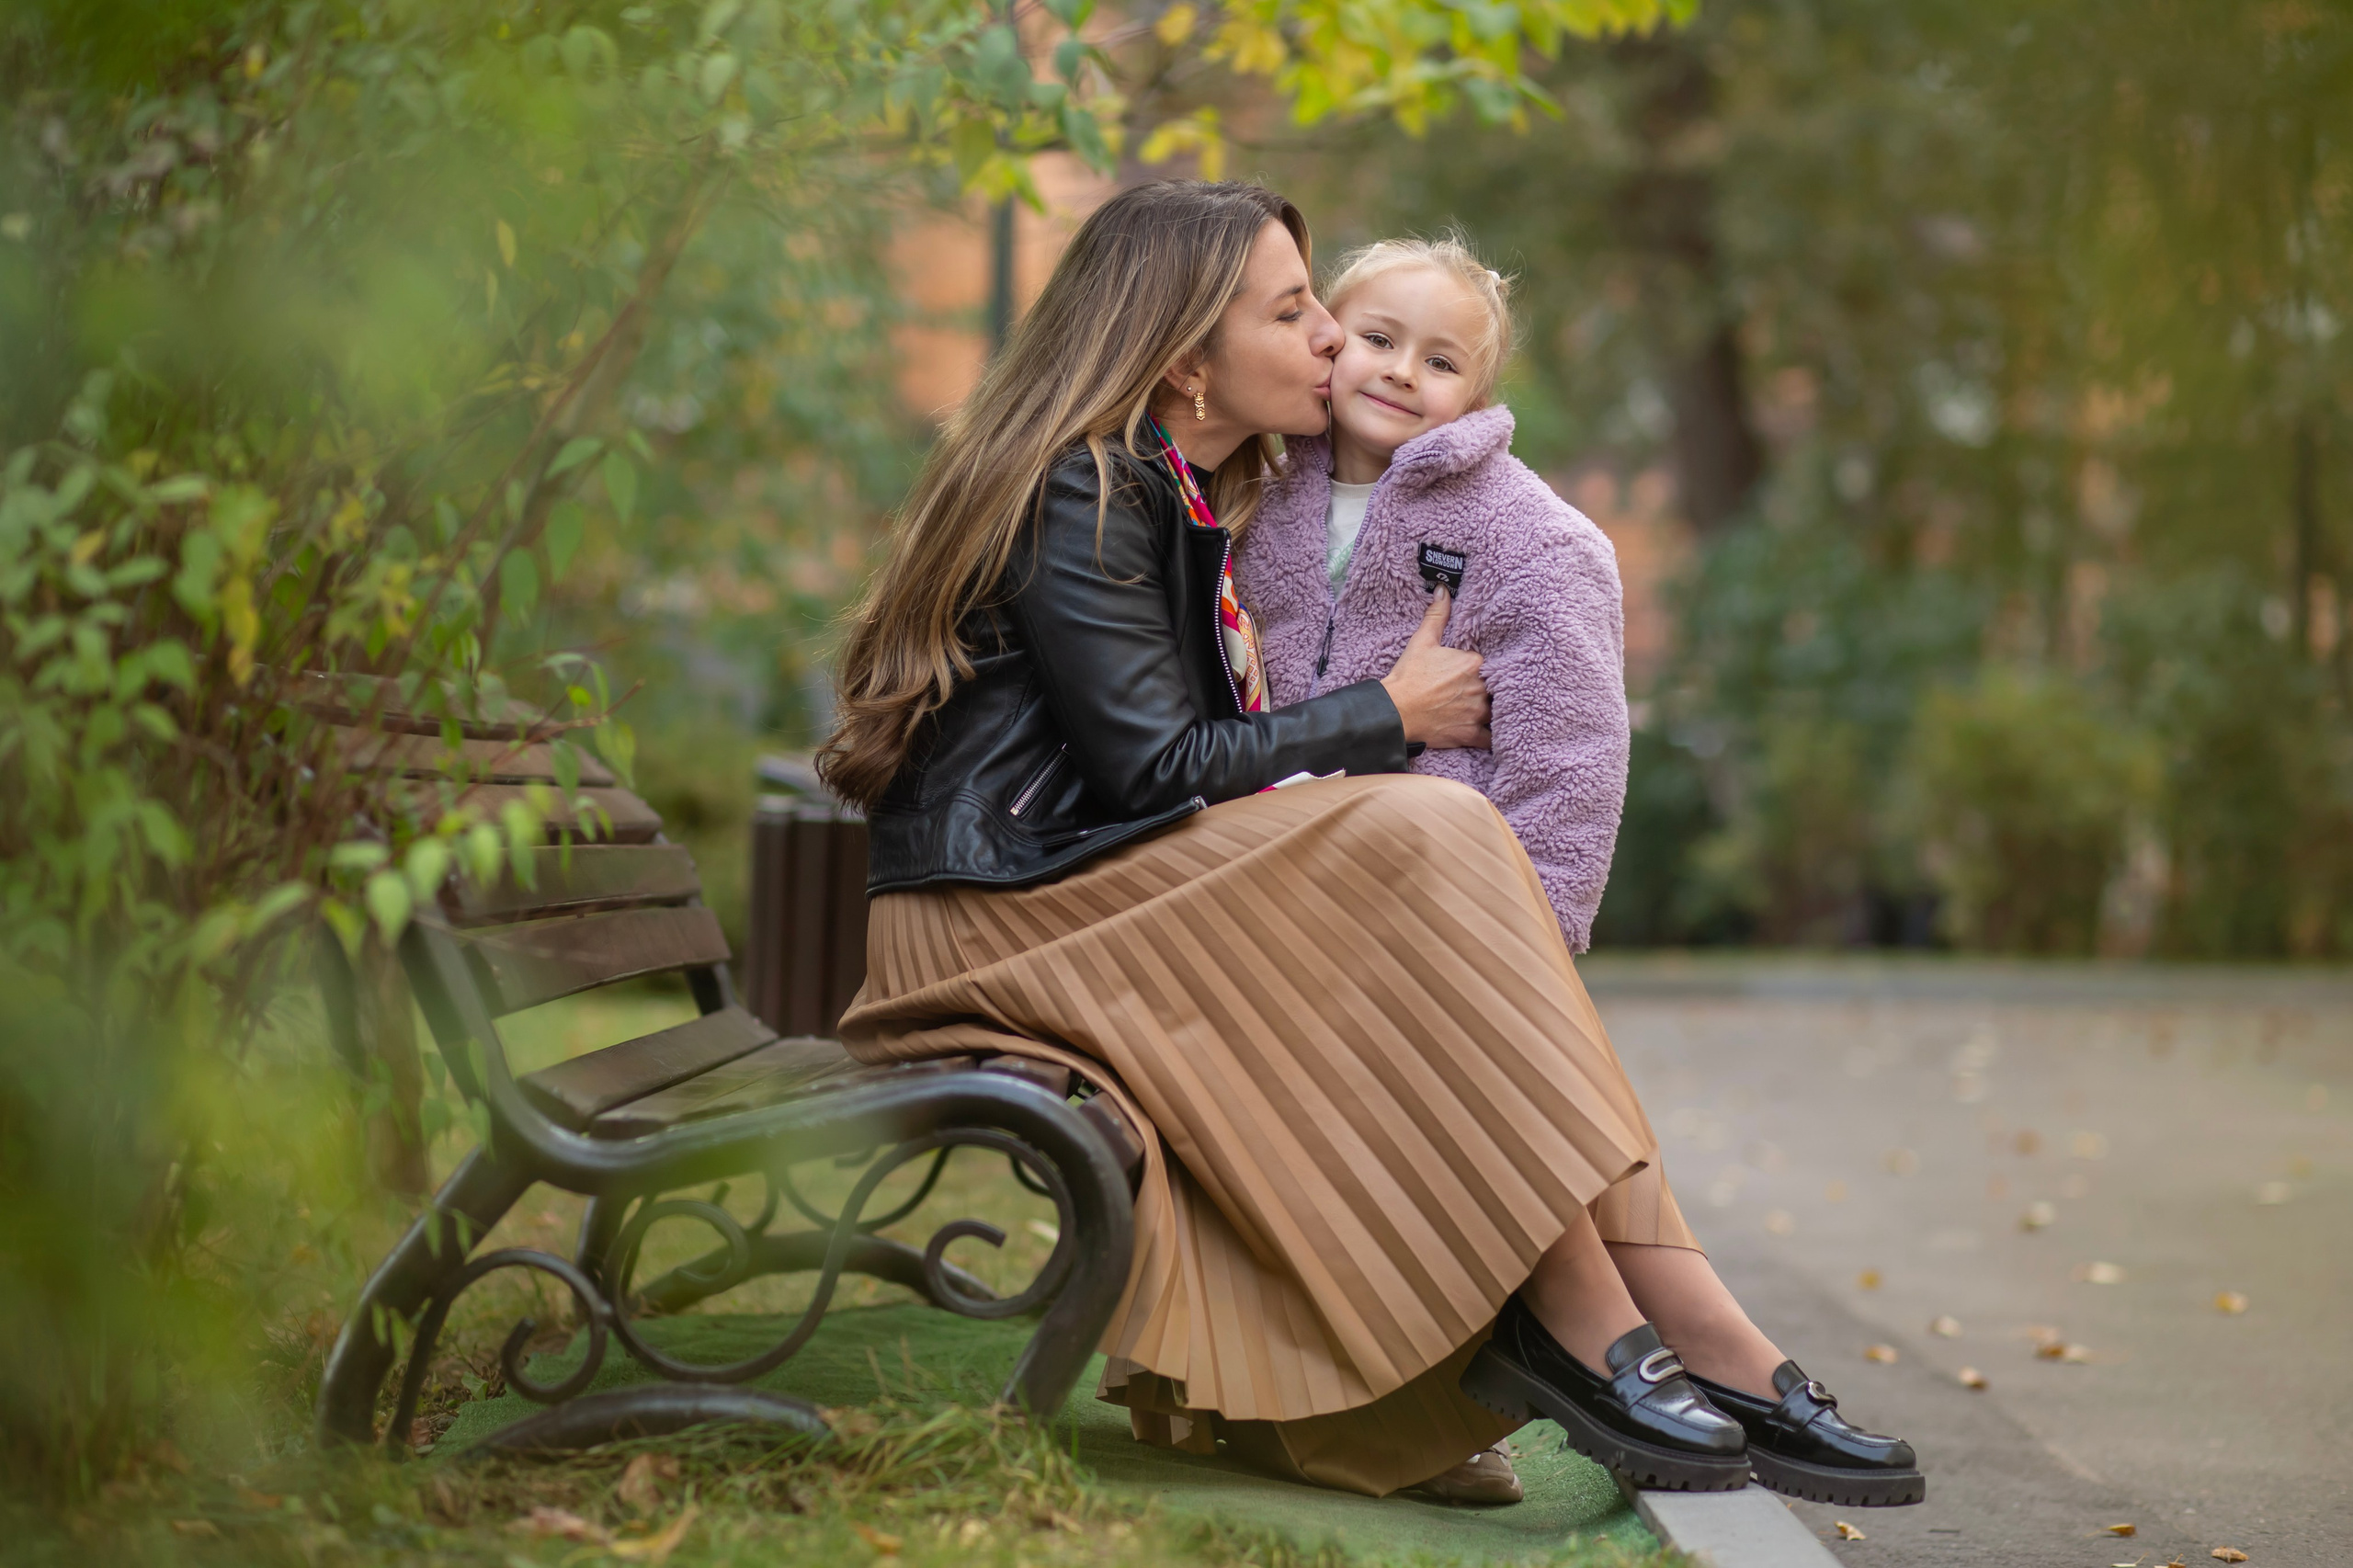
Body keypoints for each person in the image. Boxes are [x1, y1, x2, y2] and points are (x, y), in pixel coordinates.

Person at [820, 179, 1920, 1508]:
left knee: (1427, 870)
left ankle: (1644, 1325)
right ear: (1186, 356)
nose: (1335, 344)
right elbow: (1154, 766)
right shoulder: (1087, 488)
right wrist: (1387, 713)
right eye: (1299, 314)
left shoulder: (1179, 484)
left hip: (1075, 883)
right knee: (1433, 828)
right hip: (1000, 915)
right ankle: (1615, 1317)